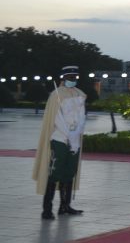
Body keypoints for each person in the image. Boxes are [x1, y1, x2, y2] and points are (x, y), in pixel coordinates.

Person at [32, 65, 86, 219]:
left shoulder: (79, 94)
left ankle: (65, 206)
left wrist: (76, 133)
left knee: (69, 173)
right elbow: (57, 119)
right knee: (55, 173)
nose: (73, 80)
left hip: (74, 140)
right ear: (63, 78)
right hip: (60, 139)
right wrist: (68, 134)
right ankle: (47, 209)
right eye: (70, 77)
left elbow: (81, 117)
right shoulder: (56, 95)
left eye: (75, 78)